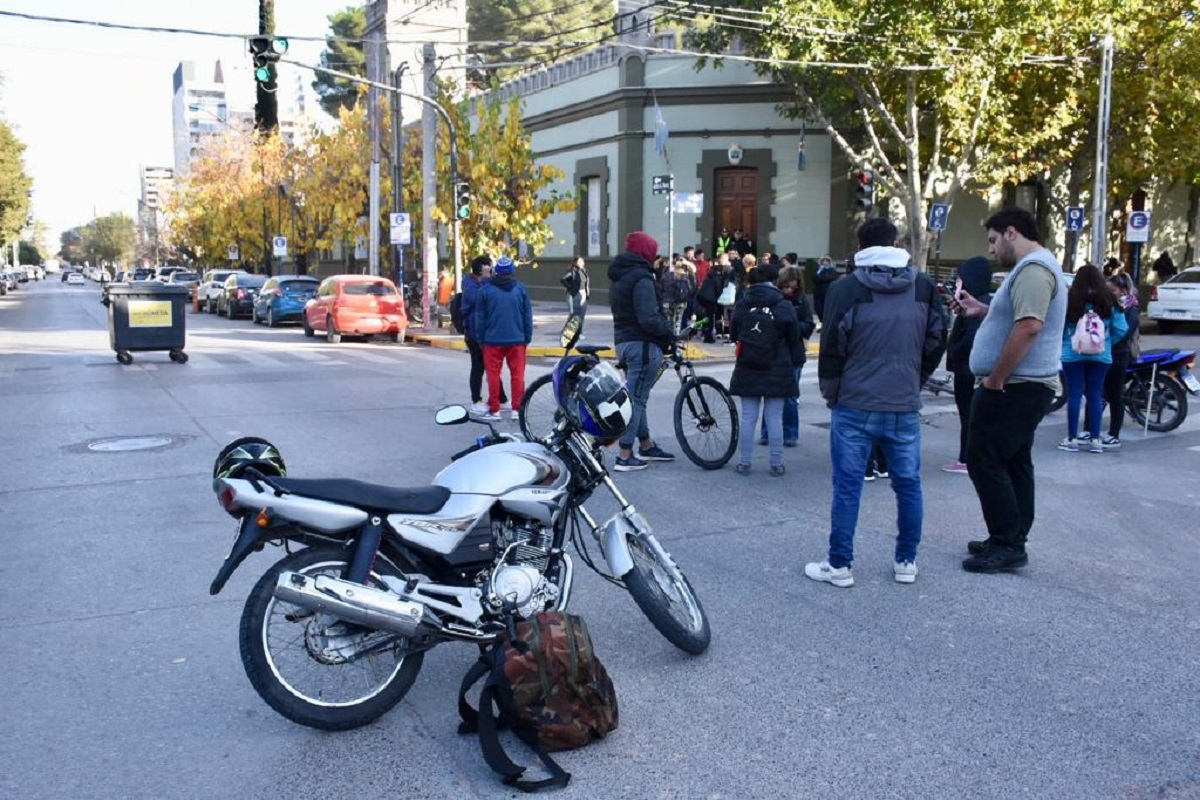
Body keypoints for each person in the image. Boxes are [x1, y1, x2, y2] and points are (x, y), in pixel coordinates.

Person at [806, 218, 947, 588]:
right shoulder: (923, 286)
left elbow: (833, 350)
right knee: (908, 484)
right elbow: (936, 338)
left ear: (860, 246)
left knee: (848, 487)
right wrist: (914, 378)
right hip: (902, 401)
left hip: (854, 402)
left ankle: (840, 565)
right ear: (895, 242)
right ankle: (906, 561)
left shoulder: (846, 288)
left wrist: (831, 393)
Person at [951, 207, 1068, 574]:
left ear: (1011, 232)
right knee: (1014, 461)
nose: (991, 249)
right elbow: (1018, 317)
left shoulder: (1034, 270)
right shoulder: (1035, 267)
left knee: (984, 461)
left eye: (992, 240)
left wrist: (996, 378)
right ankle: (1009, 534)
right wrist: (984, 310)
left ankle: (1007, 543)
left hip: (1016, 386)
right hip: (1023, 386)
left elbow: (1030, 327)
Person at [608, 231, 678, 471]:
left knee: (638, 396)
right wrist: (668, 333)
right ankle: (625, 455)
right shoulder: (642, 279)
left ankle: (646, 445)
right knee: (636, 399)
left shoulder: (620, 276)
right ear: (645, 252)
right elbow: (649, 318)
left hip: (624, 343)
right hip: (643, 344)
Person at [730, 260, 802, 476]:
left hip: (748, 365)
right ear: (774, 281)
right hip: (777, 366)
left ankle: (744, 462)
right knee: (775, 418)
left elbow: (734, 334)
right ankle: (776, 464)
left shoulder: (742, 304)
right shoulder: (783, 304)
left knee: (749, 417)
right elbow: (794, 337)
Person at [1058, 264, 1127, 452]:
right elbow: (1122, 328)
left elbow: (1058, 326)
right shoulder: (1108, 300)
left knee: (1073, 395)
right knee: (1095, 395)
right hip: (1100, 355)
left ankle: (1072, 438)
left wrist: (1068, 340)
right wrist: (1105, 342)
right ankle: (1096, 440)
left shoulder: (1070, 299)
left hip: (1072, 354)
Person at [942, 256, 993, 474]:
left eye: (961, 280)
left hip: (967, 370)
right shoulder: (983, 302)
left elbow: (971, 338)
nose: (958, 284)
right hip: (969, 368)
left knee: (968, 415)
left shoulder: (977, 307)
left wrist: (953, 350)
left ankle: (966, 459)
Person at [758, 264, 815, 447]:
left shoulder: (801, 301)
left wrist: (795, 329)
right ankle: (767, 432)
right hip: (773, 351)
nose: (790, 290)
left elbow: (808, 323)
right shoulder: (772, 299)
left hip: (794, 351)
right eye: (787, 286)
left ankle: (790, 433)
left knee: (790, 396)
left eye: (794, 287)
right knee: (770, 393)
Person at [473, 256, 533, 423]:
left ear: (495, 271)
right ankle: (516, 409)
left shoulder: (485, 291)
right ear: (512, 272)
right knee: (518, 376)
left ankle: (495, 410)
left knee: (493, 375)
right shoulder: (520, 289)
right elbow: (527, 315)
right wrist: (527, 337)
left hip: (491, 340)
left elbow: (480, 318)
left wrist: (480, 339)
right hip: (517, 340)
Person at [461, 255, 507, 415]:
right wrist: (488, 279)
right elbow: (477, 298)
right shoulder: (469, 283)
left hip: (487, 332)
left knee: (491, 366)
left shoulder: (486, 281)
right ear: (481, 269)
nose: (490, 268)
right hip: (473, 333)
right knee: (479, 366)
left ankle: (500, 397)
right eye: (488, 266)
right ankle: (476, 400)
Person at [1101, 273, 1139, 448]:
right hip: (1106, 353)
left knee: (1114, 394)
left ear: (1122, 290)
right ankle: (1089, 431)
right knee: (1099, 393)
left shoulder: (1130, 307)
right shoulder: (1110, 305)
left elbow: (1125, 332)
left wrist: (1105, 341)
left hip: (1119, 354)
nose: (1109, 293)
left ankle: (1114, 434)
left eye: (1112, 290)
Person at [560, 255, 589, 321]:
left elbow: (586, 283)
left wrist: (587, 294)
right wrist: (570, 288)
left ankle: (579, 331)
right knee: (573, 314)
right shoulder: (571, 272)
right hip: (573, 295)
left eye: (582, 261)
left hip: (583, 295)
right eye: (580, 261)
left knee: (581, 314)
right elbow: (563, 279)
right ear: (575, 263)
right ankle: (569, 330)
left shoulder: (583, 272)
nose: (582, 263)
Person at [813, 254, 838, 323]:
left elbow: (831, 278)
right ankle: (821, 321)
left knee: (826, 309)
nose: (825, 262)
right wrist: (820, 273)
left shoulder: (832, 270)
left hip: (827, 292)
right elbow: (814, 278)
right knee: (818, 308)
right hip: (818, 293)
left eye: (827, 260)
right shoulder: (818, 270)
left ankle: (825, 323)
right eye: (823, 260)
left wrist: (821, 278)